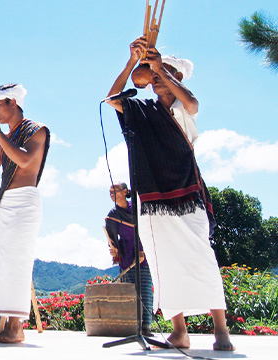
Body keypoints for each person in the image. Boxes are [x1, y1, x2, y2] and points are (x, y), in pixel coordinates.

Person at [105, 36, 234, 351]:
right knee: (164, 264)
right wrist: (131, 63)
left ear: (176, 79)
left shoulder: (183, 107)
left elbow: (192, 103)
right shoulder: (142, 109)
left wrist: (159, 67)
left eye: (168, 74)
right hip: (152, 200)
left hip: (186, 195)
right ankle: (179, 331)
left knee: (201, 259)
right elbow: (112, 99)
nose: (160, 79)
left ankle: (221, 330)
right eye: (156, 76)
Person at [0, 83, 50, 343]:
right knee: (2, 263)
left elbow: (25, 160)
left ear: (12, 103)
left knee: (18, 261)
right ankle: (6, 323)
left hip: (25, 201)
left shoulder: (36, 130)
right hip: (5, 202)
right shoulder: (2, 137)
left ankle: (15, 327)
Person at [105, 182, 153, 336]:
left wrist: (142, 251)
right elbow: (112, 239)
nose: (112, 194)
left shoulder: (138, 209)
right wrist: (114, 249)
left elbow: (146, 229)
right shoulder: (112, 215)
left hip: (143, 254)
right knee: (130, 293)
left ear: (125, 191)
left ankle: (145, 328)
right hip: (126, 256)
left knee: (145, 290)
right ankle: (132, 327)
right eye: (110, 192)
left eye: (115, 191)